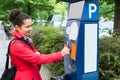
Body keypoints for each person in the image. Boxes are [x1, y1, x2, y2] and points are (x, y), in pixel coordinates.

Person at [8, 9, 70, 80]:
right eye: (27, 27)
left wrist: (36, 53)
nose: (31, 29)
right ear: (17, 27)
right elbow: (37, 59)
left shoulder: (24, 39)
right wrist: (61, 54)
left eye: (31, 25)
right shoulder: (16, 45)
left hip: (32, 74)